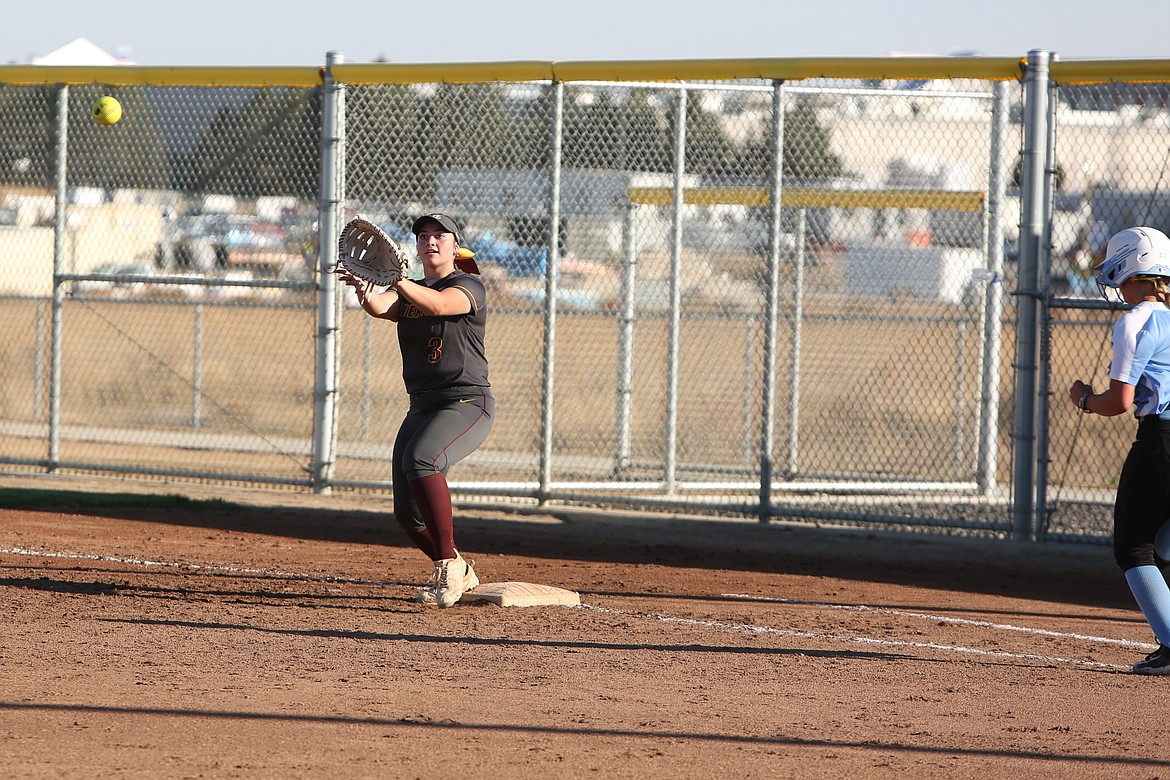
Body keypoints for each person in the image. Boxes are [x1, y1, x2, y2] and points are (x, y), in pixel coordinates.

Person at [337, 213, 494, 608]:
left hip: (466, 403)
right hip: (422, 406)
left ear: (456, 247)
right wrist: (364, 289)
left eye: (440, 235)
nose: (431, 241)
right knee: (408, 516)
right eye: (423, 235)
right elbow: (382, 307)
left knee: (422, 459)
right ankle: (459, 565)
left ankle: (446, 570)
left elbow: (440, 305)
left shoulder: (468, 284)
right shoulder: (411, 290)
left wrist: (397, 281)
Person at [1069, 225, 1170, 674]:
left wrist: (1084, 400)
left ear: (1133, 267)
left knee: (1134, 547)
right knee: (1165, 546)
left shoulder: (1136, 320)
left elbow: (1121, 402)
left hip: (1162, 440)